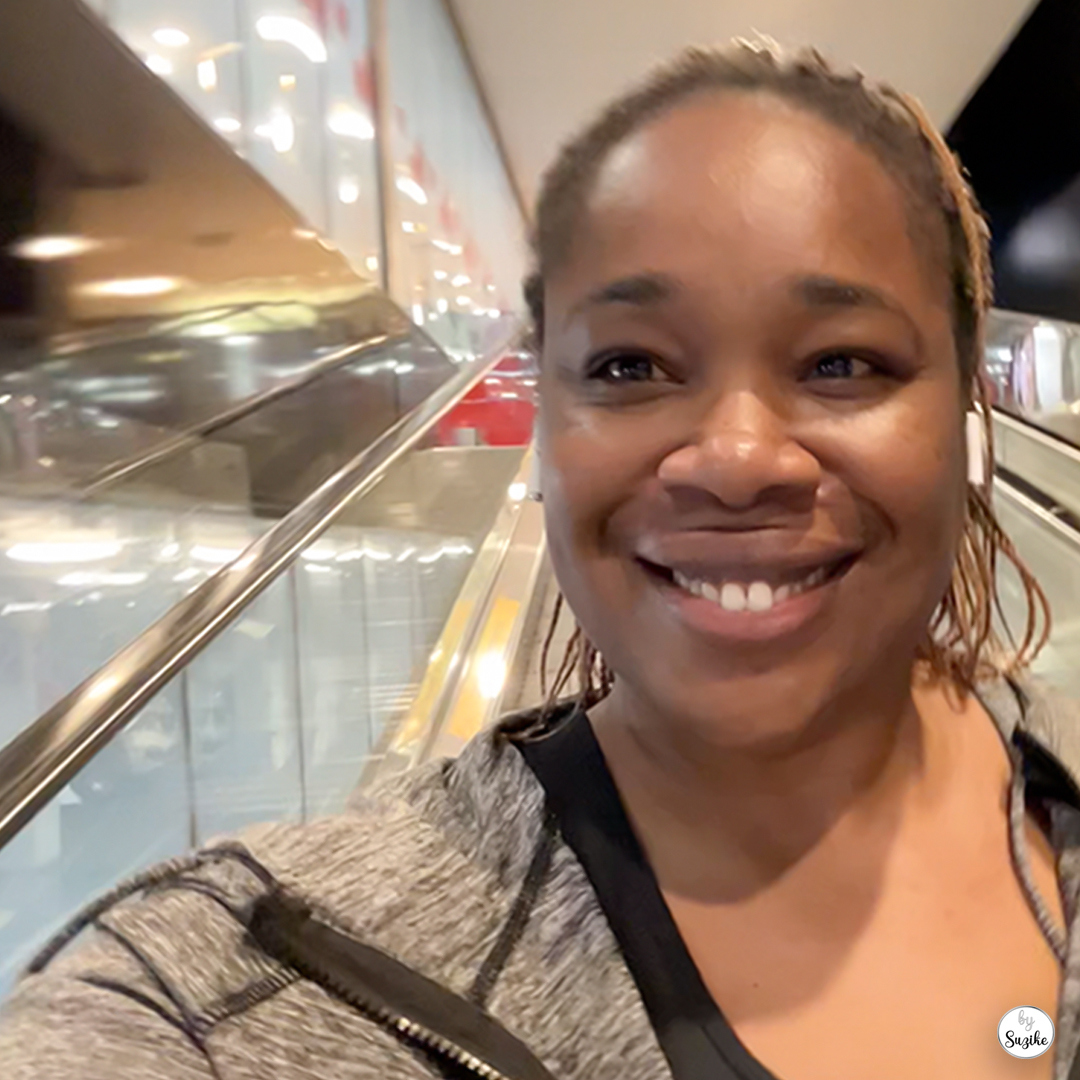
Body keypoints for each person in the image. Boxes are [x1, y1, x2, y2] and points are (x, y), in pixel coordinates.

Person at [2, 38, 1078, 1080]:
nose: (738, 460)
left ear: (968, 410)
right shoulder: (238, 989)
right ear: (547, 426)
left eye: (842, 362)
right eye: (630, 364)